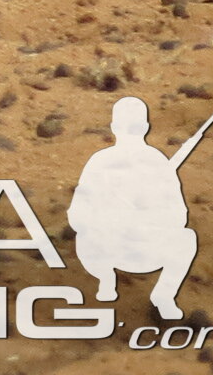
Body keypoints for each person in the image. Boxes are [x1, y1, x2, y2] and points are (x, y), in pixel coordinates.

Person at [68, 95, 198, 321]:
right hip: (119, 249)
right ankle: (121, 282)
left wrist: (145, 218)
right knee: (186, 239)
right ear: (145, 127)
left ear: (114, 127)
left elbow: (77, 215)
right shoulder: (155, 162)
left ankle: (146, 291)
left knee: (186, 237)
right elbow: (180, 217)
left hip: (121, 250)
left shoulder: (102, 160)